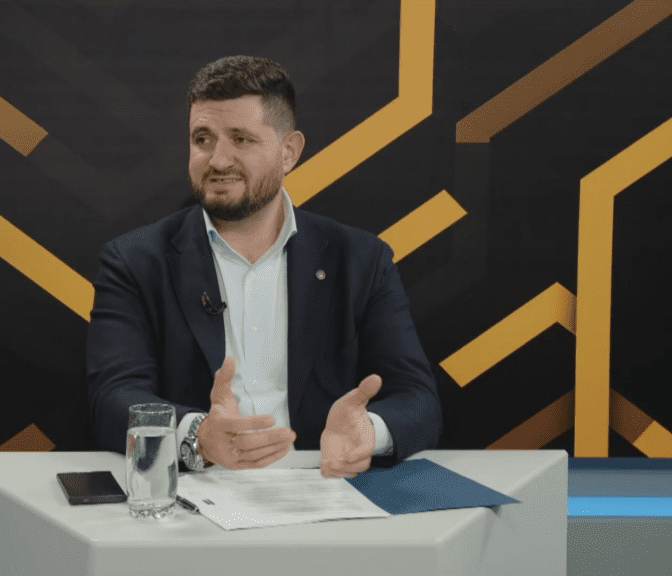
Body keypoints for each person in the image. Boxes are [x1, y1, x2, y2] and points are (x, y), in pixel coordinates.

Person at [87, 55, 442, 478]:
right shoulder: (134, 261)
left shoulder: (361, 259)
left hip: (324, 484)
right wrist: (198, 436)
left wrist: (369, 432)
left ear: (288, 152)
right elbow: (113, 399)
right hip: (199, 489)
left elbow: (419, 400)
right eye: (202, 139)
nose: (218, 160)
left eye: (241, 139)